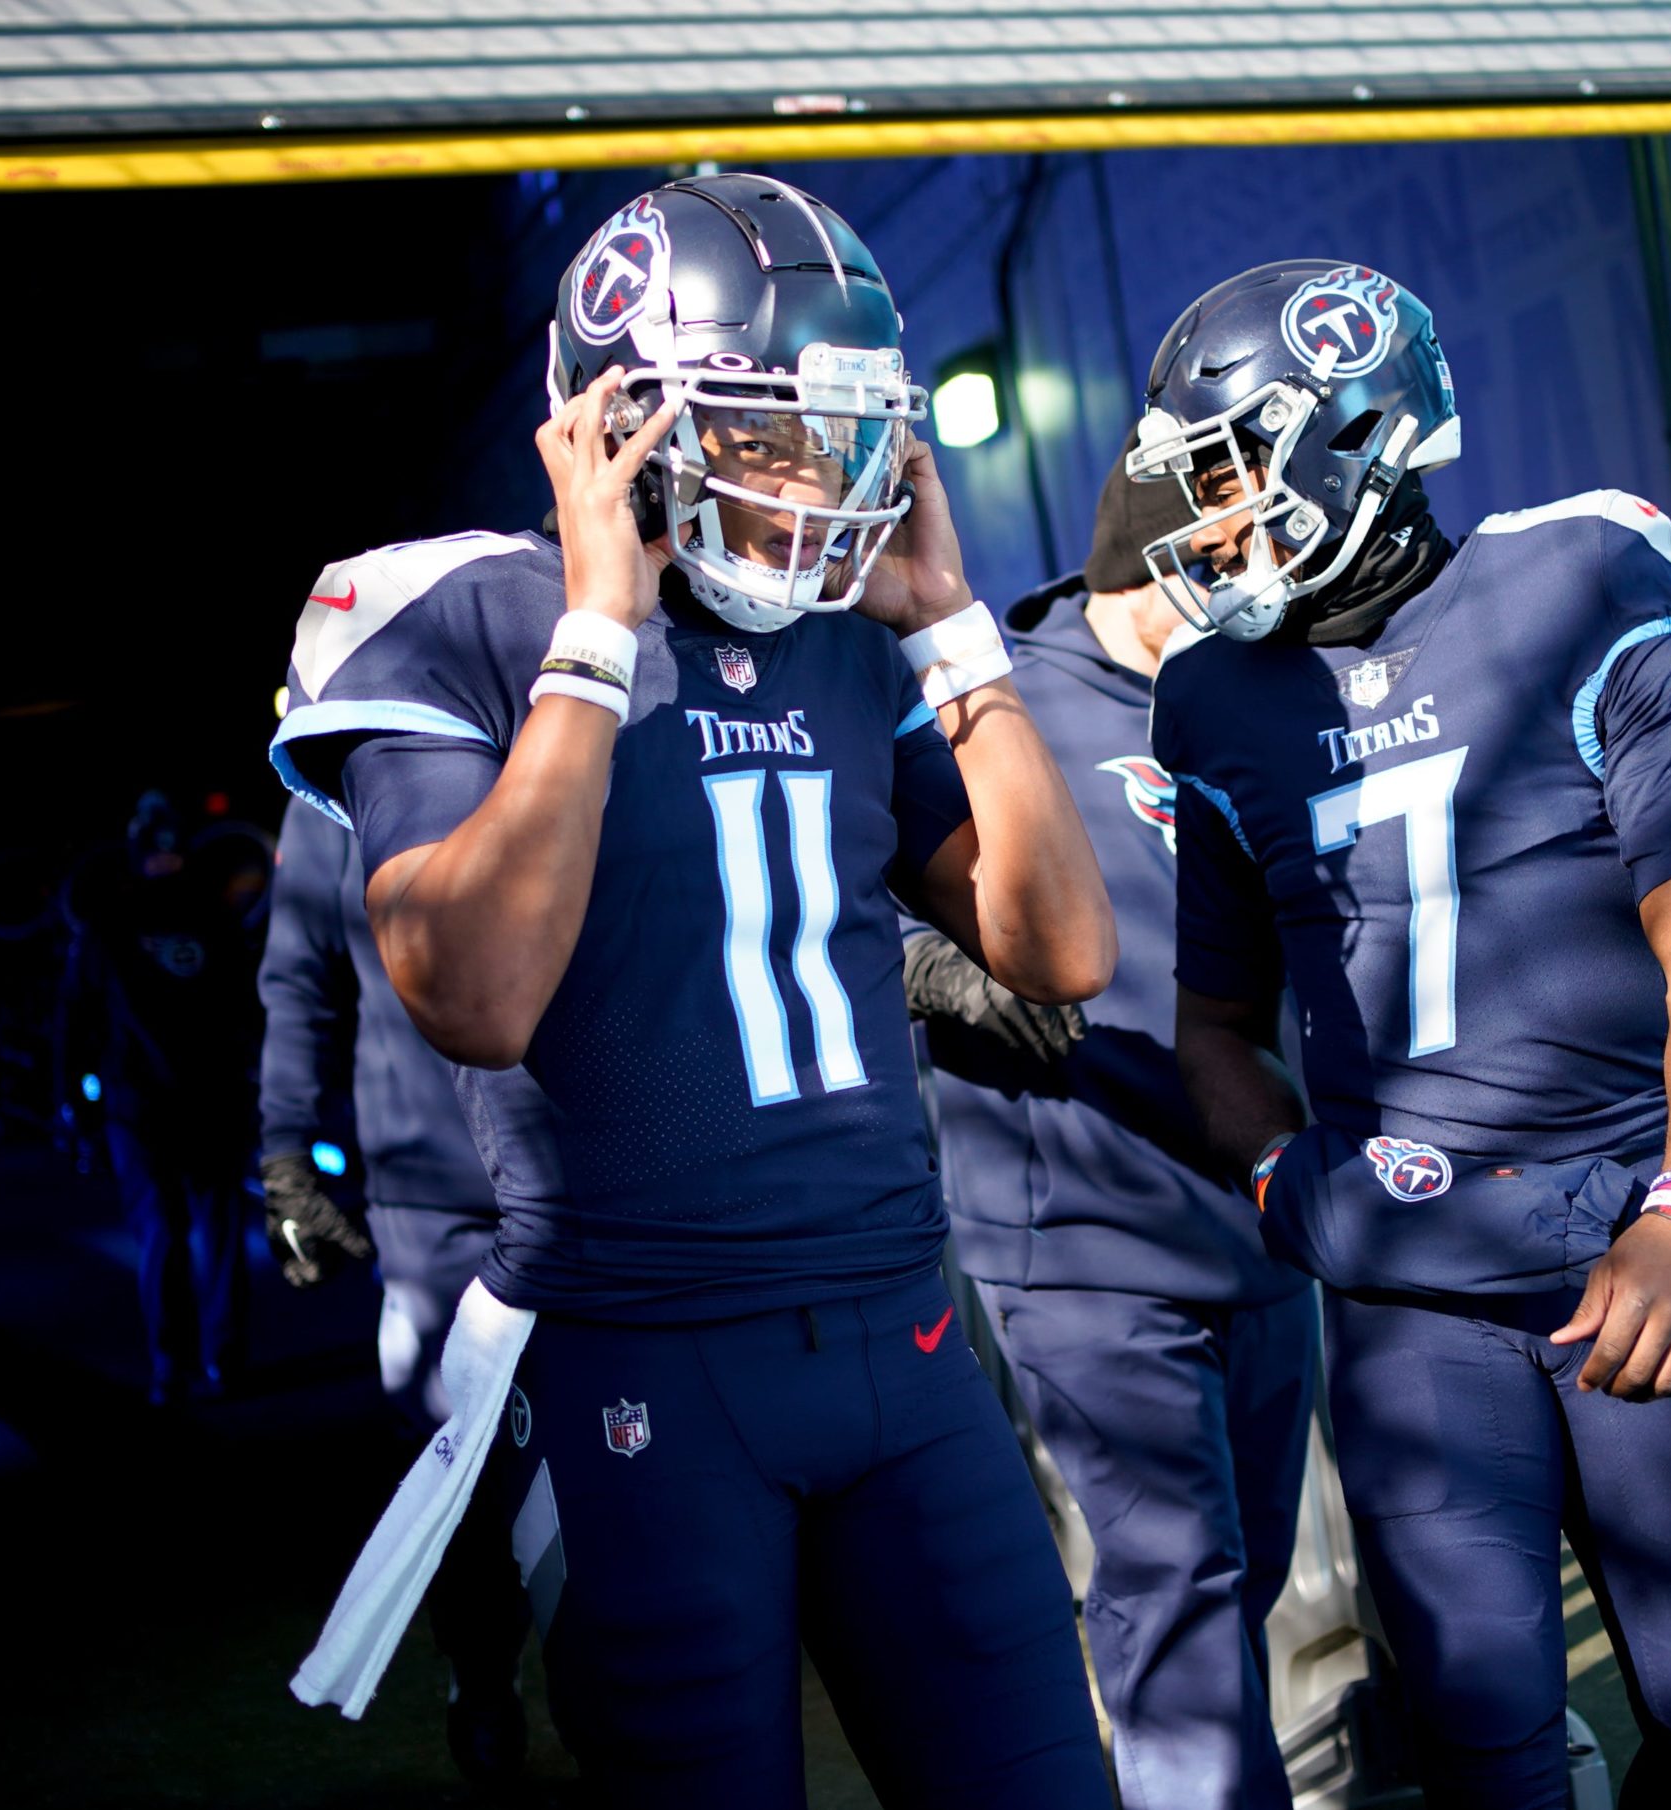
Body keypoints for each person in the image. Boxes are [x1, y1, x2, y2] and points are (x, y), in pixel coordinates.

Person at [268, 173, 1118, 1808]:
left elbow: (1061, 951)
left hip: (909, 1331)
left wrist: (953, 636)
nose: (819, 483)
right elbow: (478, 992)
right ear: (622, 422)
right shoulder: (459, 615)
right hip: (652, 1359)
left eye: (845, 432)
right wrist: (598, 627)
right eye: (769, 430)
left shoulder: (857, 633)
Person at [1142, 260, 1671, 1807]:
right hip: (1409, 1291)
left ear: (1358, 433)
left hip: (1622, 1242)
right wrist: (1277, 1178)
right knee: (1483, 1723)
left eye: (1234, 467)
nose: (1214, 518)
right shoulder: (1220, 700)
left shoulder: (1581, 578)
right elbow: (1213, 1029)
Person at [912, 436, 1319, 1809]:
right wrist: (933, 967)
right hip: (1080, 1221)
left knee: (1247, 1571)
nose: (1250, 575)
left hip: (1263, 1207)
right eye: (1217, 555)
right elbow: (836, 874)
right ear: (1146, 552)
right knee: (1174, 1597)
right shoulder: (991, 701)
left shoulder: (1265, 682)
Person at [255, 797, 531, 1782]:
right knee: (455, 1475)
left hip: (598, 1179)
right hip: (434, 1210)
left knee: (629, 1461)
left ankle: (616, 1694)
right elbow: (300, 978)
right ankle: (483, 1679)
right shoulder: (340, 776)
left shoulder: (573, 710)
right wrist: (285, 1147)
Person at [58, 791, 261, 1404]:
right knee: (219, 1232)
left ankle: (172, 1369)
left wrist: (74, 1108)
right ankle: (224, 1363)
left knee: (163, 1235)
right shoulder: (216, 918)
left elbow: (74, 1022)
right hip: (208, 1102)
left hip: (141, 1110)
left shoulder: (106, 925)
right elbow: (250, 1011)